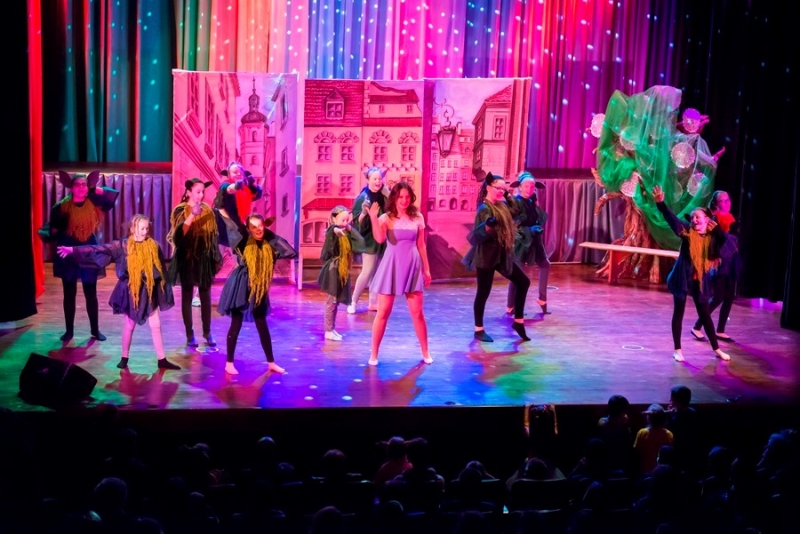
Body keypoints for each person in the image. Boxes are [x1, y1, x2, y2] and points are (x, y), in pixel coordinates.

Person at [56, 214, 180, 370]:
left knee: (155, 324)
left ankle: (162, 359)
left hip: (149, 291)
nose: (144, 232)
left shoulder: (154, 246)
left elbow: (161, 270)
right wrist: (73, 250)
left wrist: (163, 291)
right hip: (131, 291)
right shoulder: (122, 246)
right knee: (129, 324)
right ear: (132, 228)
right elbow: (98, 249)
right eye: (141, 228)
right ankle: (124, 357)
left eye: (146, 229)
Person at [653, 185, 732, 362]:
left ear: (707, 220)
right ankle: (678, 350)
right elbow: (673, 220)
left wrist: (717, 230)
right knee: (678, 312)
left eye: (698, 217)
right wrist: (661, 204)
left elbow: (727, 246)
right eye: (693, 217)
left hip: (700, 280)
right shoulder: (687, 232)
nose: (694, 220)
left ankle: (717, 349)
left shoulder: (712, 237)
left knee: (705, 315)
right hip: (682, 277)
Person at [39, 170, 119, 342]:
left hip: (88, 250)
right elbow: (54, 230)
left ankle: (95, 330)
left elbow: (112, 195)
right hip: (68, 251)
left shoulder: (93, 201)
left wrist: (93, 189)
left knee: (91, 293)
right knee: (69, 293)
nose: (81, 188)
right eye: (78, 185)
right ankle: (69, 331)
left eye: (84, 185)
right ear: (71, 187)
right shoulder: (61, 207)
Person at [217, 214, 297, 375]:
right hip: (241, 285)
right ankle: (229, 363)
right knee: (236, 323)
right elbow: (231, 225)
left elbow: (290, 252)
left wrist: (269, 235)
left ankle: (271, 362)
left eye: (260, 225)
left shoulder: (270, 243)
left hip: (259, 287)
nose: (258, 229)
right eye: (253, 227)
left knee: (262, 324)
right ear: (248, 229)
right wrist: (224, 210)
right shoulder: (243, 242)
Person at [366, 182, 432, 366]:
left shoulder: (417, 217)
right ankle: (374, 353)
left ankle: (425, 351)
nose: (404, 200)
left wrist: (426, 269)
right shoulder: (386, 218)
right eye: (401, 196)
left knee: (417, 313)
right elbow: (380, 239)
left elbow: (421, 245)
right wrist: (373, 218)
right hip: (391, 266)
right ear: (394, 197)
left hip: (412, 265)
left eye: (407, 197)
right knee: (383, 312)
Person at [463, 173, 531, 342]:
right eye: (498, 188)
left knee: (523, 282)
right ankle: (479, 330)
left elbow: (516, 210)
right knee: (483, 292)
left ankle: (518, 322)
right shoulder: (484, 209)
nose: (501, 191)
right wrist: (488, 225)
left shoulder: (502, 206)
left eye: (503, 189)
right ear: (488, 187)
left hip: (502, 255)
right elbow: (479, 233)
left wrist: (507, 194)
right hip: (486, 256)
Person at [167, 178, 222, 347]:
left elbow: (213, 236)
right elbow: (179, 236)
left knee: (205, 295)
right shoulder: (180, 210)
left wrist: (214, 257)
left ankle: (207, 332)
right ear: (189, 192)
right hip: (187, 258)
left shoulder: (208, 211)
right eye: (198, 192)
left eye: (203, 192)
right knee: (187, 295)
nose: (201, 195)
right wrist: (192, 214)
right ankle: (190, 334)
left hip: (204, 258)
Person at [691, 190, 742, 343]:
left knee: (729, 295)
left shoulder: (731, 218)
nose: (727, 203)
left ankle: (720, 330)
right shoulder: (713, 219)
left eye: (728, 200)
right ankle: (697, 326)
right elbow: (716, 240)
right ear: (715, 203)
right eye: (722, 201)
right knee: (718, 296)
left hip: (730, 260)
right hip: (719, 261)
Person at [318, 205, 365, 341]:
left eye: (347, 220)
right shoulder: (333, 230)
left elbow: (361, 241)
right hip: (334, 269)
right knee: (331, 301)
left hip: (342, 270)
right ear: (334, 219)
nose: (345, 223)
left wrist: (350, 229)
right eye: (342, 220)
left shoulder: (346, 231)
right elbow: (332, 231)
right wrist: (336, 229)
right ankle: (328, 330)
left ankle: (332, 328)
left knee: (336, 301)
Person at [507, 171, 551, 315]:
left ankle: (542, 299)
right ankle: (510, 305)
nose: (529, 189)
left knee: (545, 264)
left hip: (534, 241)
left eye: (532, 187)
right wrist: (530, 229)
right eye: (526, 186)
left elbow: (542, 219)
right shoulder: (516, 202)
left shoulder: (532, 201)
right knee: (517, 274)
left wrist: (536, 205)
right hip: (521, 241)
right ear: (520, 187)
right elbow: (514, 224)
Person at [348, 166, 389, 314]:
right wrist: (364, 214)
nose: (378, 181)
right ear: (368, 180)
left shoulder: (384, 195)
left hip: (382, 237)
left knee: (377, 272)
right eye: (374, 179)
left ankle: (373, 302)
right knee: (367, 271)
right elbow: (356, 222)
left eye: (380, 179)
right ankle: (353, 301)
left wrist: (388, 192)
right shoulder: (363, 197)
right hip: (369, 239)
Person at [633, 404, 674, 476]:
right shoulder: (669, 434)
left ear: (648, 418)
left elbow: (637, 450)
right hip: (661, 471)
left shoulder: (642, 432)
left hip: (645, 469)